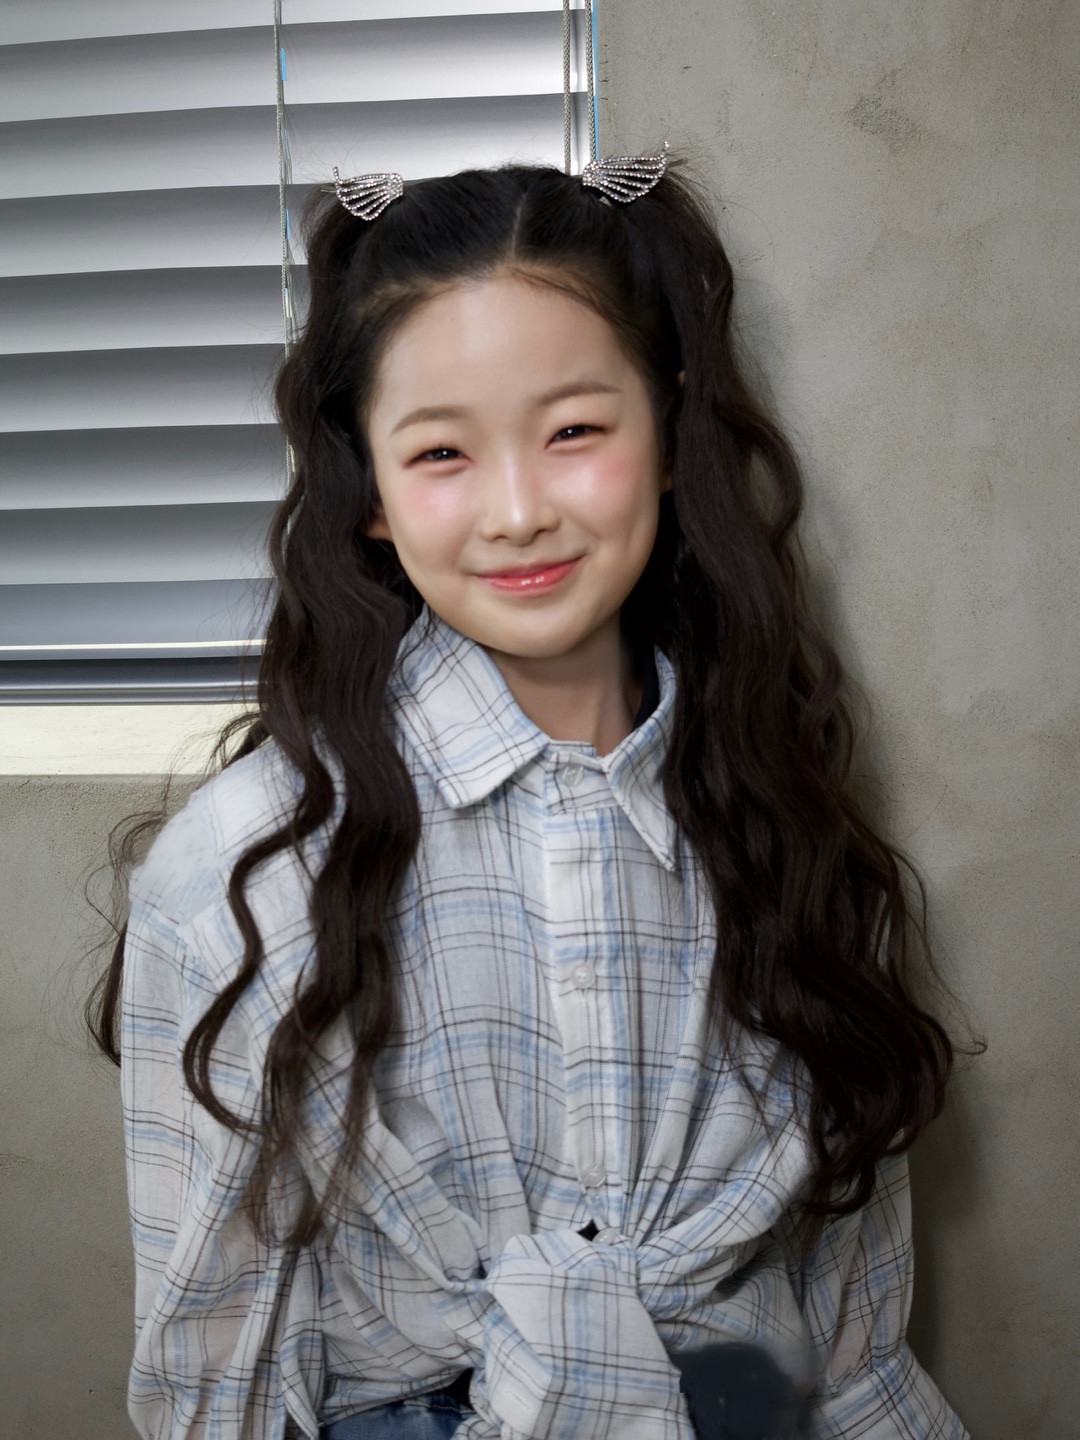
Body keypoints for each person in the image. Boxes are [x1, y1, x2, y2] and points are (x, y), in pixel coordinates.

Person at [90, 151, 969, 1440]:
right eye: (442, 451)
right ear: (370, 490)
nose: (516, 512)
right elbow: (217, 1373)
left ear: (668, 434)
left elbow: (853, 1330)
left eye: (573, 432)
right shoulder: (246, 869)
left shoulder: (778, 811)